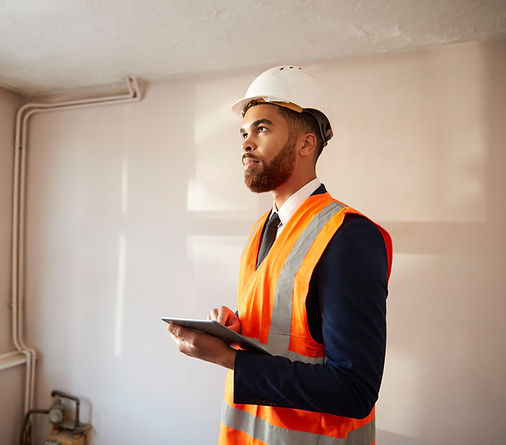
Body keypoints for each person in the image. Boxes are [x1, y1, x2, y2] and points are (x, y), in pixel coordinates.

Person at [168, 65, 393, 444]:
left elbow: (354, 389)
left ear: (306, 144)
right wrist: (236, 329)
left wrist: (228, 359)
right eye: (244, 132)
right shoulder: (262, 230)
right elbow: (288, 332)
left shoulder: (349, 236)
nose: (245, 143)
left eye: (262, 128)